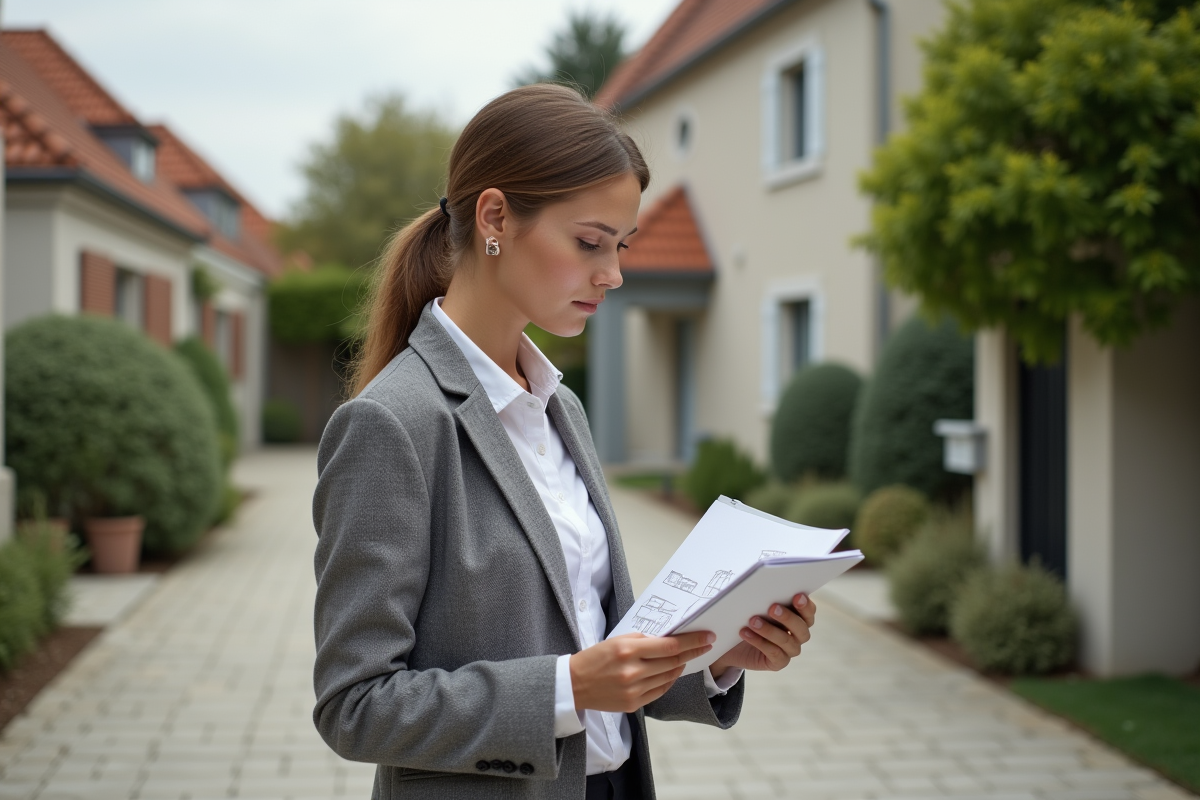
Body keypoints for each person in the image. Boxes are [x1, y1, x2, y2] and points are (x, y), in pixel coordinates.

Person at [311, 84, 817, 800]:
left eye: (621, 246)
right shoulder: (393, 424)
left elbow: (602, 645)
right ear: (494, 218)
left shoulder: (561, 408)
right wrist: (565, 689)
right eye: (589, 243)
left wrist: (718, 654)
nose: (611, 274)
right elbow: (353, 706)